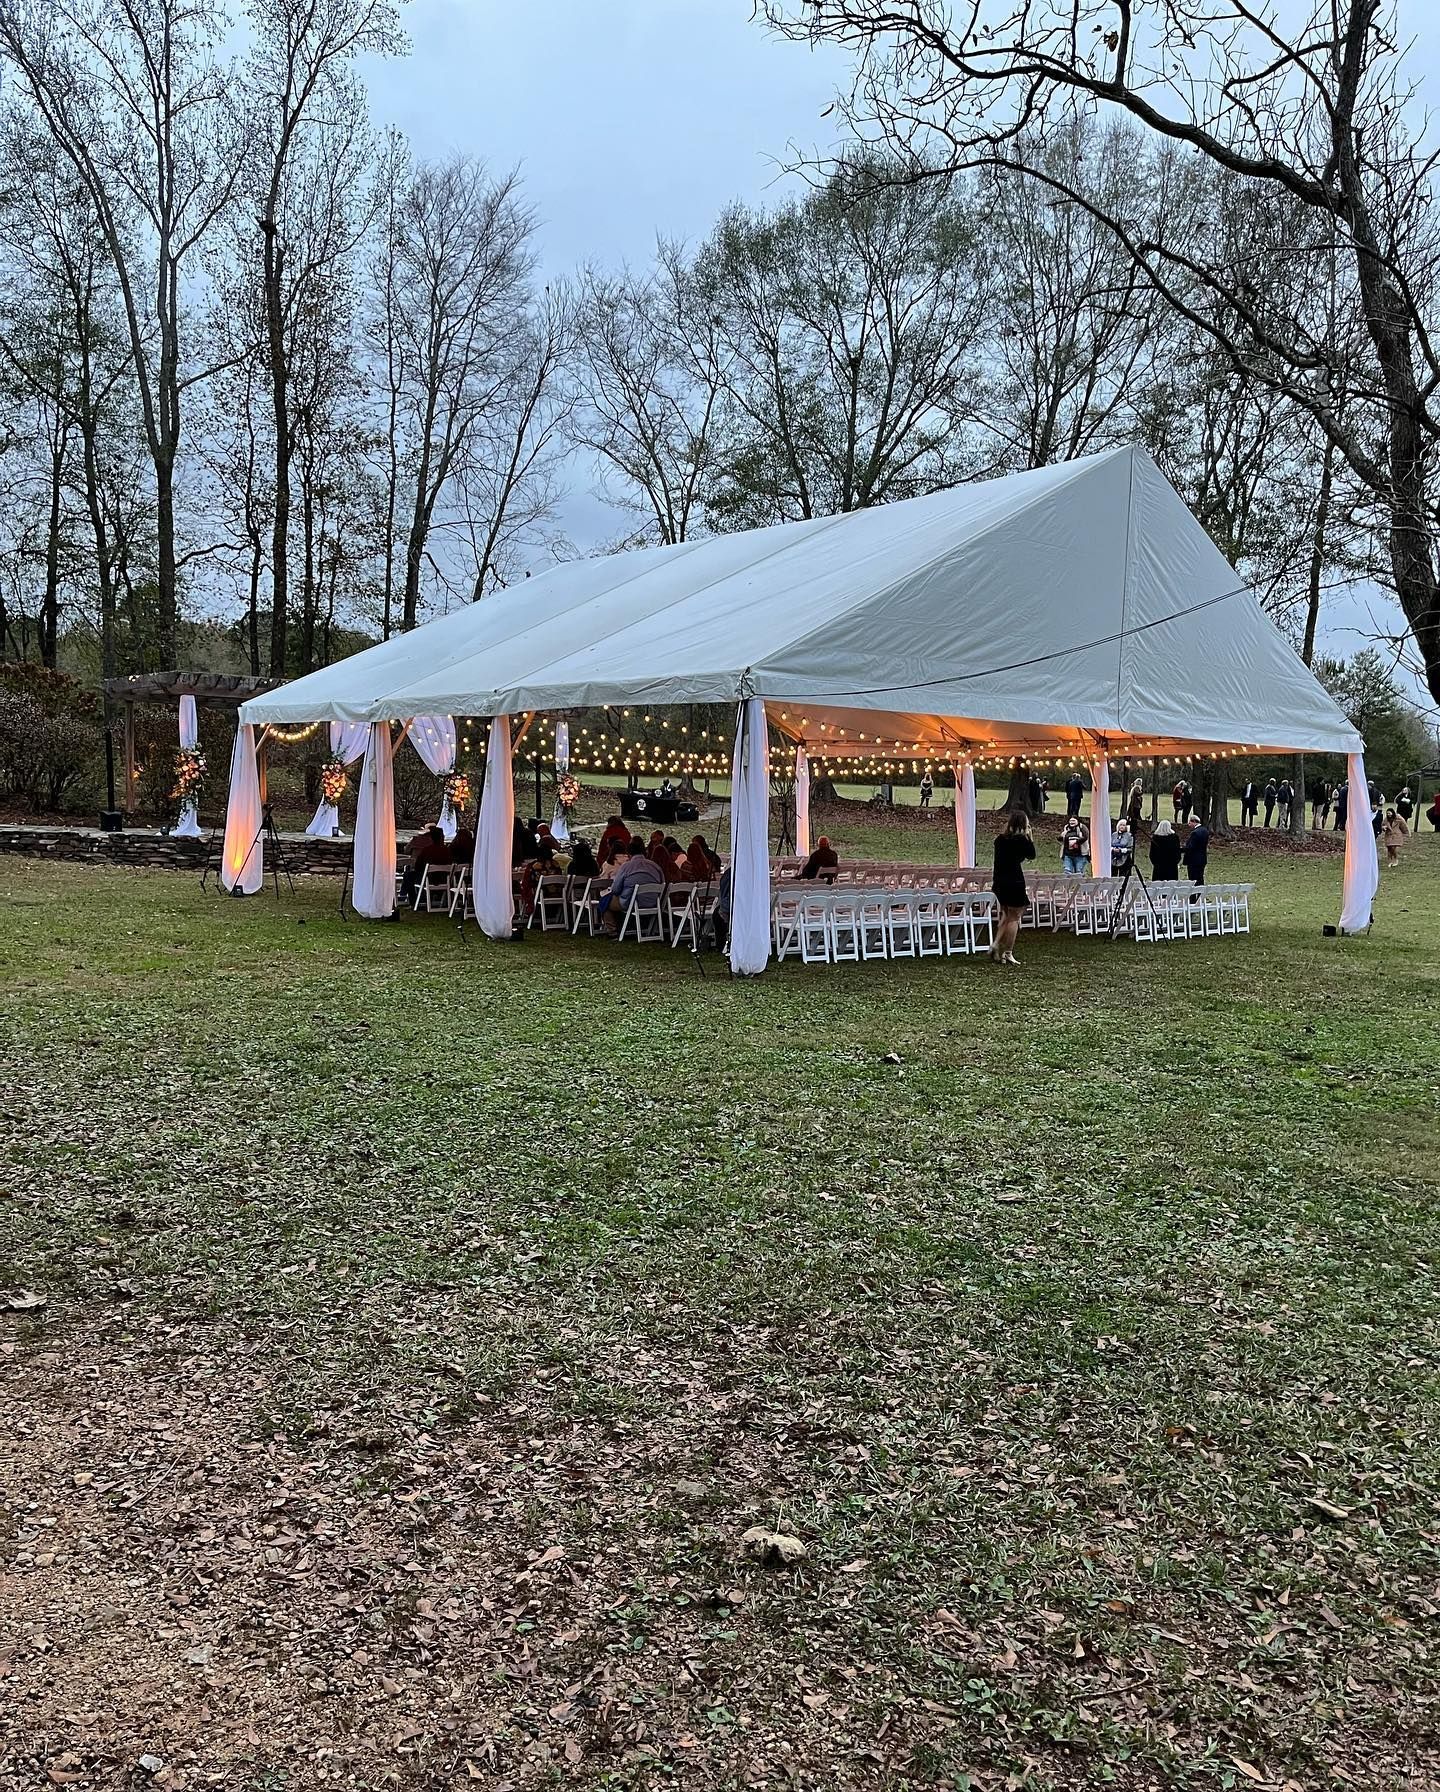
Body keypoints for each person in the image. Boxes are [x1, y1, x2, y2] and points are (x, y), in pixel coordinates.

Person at [990, 811, 1036, 965]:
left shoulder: (1000, 840)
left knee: (1006, 914)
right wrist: (1029, 837)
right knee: (1015, 917)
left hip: (999, 881)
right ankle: (1008, 952)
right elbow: (1031, 855)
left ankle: (996, 943)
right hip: (1014, 881)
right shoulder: (1021, 840)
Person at [597, 837, 666, 933]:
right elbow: (663, 884)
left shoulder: (626, 867)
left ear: (629, 854)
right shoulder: (655, 866)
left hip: (630, 903)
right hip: (653, 902)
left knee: (604, 901)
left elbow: (616, 890)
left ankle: (611, 929)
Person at [401, 824, 452, 905]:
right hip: (445, 879)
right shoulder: (448, 850)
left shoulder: (427, 850)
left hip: (428, 878)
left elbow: (418, 865)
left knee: (408, 875)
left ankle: (409, 899)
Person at [1182, 817, 1210, 886]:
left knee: (1193, 879)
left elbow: (1190, 847)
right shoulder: (1205, 830)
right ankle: (1200, 894)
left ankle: (1193, 896)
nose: (1189, 825)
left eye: (1190, 823)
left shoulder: (1195, 833)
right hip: (1202, 859)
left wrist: (1180, 850)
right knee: (1200, 878)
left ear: (1194, 822)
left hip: (1193, 860)